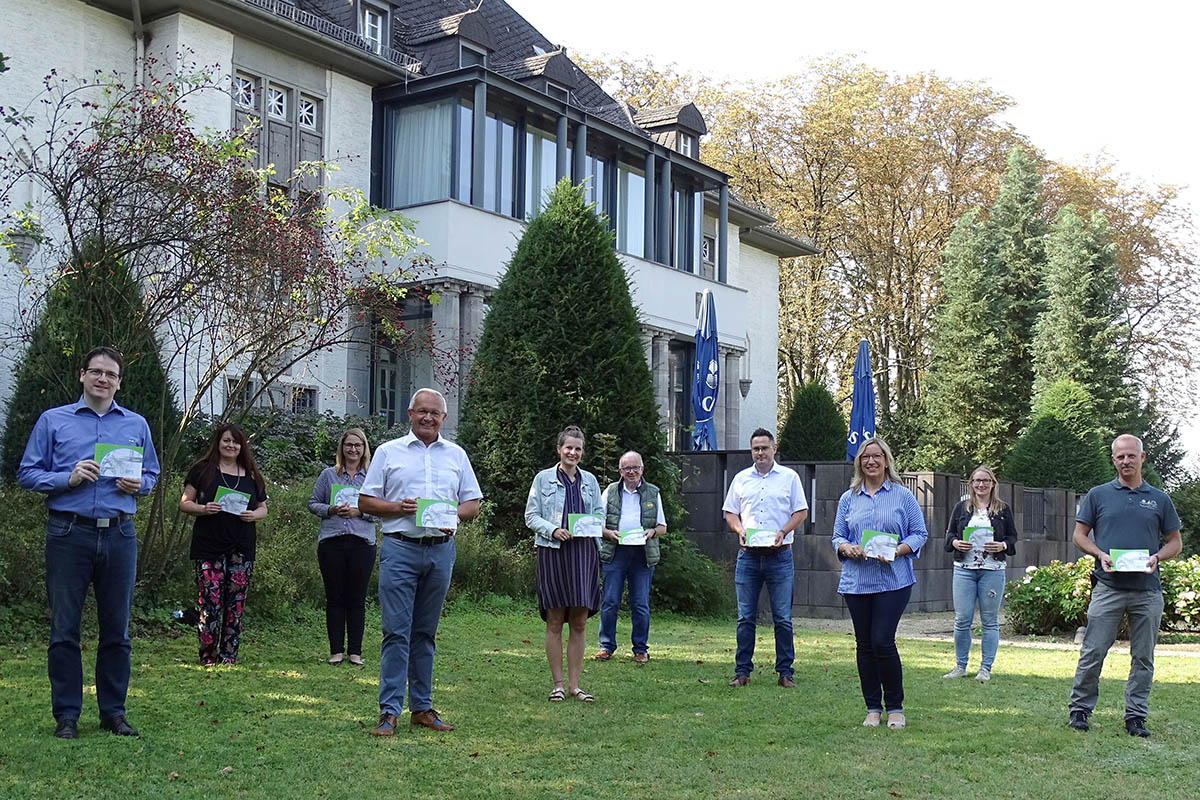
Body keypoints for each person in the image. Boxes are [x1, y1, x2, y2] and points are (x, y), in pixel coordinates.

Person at [17, 346, 160, 739]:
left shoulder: (136, 424)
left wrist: (140, 484)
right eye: (96, 372)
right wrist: (68, 477)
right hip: (68, 533)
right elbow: (27, 473)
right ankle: (66, 715)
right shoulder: (53, 421)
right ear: (82, 375)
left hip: (119, 533)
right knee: (65, 629)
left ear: (119, 381)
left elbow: (151, 474)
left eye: (110, 374)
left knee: (117, 630)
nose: (103, 379)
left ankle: (113, 712)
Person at [360, 388, 481, 736]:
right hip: (400, 548)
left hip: (441, 549)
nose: (428, 418)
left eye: (435, 413)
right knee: (396, 631)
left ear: (444, 418)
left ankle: (422, 708)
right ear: (410, 414)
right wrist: (400, 507)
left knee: (425, 633)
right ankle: (389, 711)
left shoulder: (457, 455)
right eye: (422, 411)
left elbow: (472, 504)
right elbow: (366, 501)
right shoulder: (388, 452)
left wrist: (451, 515)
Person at [1067, 434, 1181, 737]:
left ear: (1142, 458)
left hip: (1148, 591)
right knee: (1093, 651)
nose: (1126, 461)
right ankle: (1079, 710)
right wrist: (1100, 554)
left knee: (1143, 657)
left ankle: (1136, 716)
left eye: (1131, 456)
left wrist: (1157, 557)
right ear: (1113, 460)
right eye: (1120, 457)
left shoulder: (1159, 499)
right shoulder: (1098, 495)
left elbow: (1175, 542)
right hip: (1108, 586)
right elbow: (1079, 536)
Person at [832, 437, 928, 729]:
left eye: (876, 456)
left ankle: (895, 707)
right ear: (859, 463)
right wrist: (846, 548)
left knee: (882, 641)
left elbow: (919, 533)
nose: (871, 462)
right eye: (865, 458)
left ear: (886, 461)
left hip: (893, 580)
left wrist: (898, 551)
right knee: (864, 645)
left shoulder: (902, 496)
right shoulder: (848, 498)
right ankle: (873, 707)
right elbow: (837, 536)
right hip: (857, 581)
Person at [721, 428, 808, 689]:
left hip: (780, 557)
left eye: (764, 448)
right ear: (751, 451)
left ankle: (785, 672)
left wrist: (783, 532)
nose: (760, 453)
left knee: (782, 617)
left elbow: (801, 511)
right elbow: (730, 513)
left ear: (774, 448)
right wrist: (739, 530)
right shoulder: (740, 479)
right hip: (748, 557)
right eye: (755, 449)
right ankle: (742, 672)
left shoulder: (789, 478)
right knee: (745, 617)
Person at [526, 425, 604, 702]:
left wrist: (593, 525)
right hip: (553, 552)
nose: (573, 452)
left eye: (578, 449)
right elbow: (530, 516)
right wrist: (552, 530)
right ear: (559, 449)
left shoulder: (591, 482)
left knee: (580, 621)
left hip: (584, 553)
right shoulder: (543, 479)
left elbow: (599, 515)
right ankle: (557, 684)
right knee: (555, 620)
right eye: (568, 447)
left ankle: (574, 685)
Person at [179, 424, 268, 666]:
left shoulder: (251, 475)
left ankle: (229, 655)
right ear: (218, 442)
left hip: (241, 546)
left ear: (242, 446)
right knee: (210, 602)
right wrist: (203, 509)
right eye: (226, 440)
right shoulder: (202, 470)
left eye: (236, 442)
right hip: (209, 545)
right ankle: (207, 655)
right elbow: (185, 503)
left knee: (235, 603)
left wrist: (254, 516)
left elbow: (263, 508)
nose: (231, 445)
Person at [307, 428, 378, 666]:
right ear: (342, 447)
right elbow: (312, 503)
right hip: (332, 544)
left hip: (362, 544)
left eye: (358, 445)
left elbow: (382, 511)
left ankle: (355, 652)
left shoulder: (372, 478)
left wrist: (360, 512)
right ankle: (336, 650)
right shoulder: (328, 475)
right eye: (349, 445)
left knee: (356, 599)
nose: (353, 449)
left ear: (364, 449)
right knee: (335, 598)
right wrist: (330, 510)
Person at [943, 465, 1017, 682]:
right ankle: (960, 666)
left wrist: (1002, 546)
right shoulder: (961, 508)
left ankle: (985, 668)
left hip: (992, 570)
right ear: (971, 484)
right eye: (977, 481)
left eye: (985, 480)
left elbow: (1013, 538)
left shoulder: (1002, 509)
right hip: (964, 570)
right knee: (962, 619)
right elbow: (948, 538)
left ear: (993, 483)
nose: (981, 484)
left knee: (990, 620)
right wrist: (957, 542)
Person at [595, 450, 667, 664]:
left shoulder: (653, 493)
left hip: (642, 554)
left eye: (635, 467)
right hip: (615, 551)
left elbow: (663, 526)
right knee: (609, 600)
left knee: (640, 603)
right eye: (627, 468)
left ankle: (640, 649)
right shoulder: (609, 492)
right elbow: (596, 522)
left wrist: (652, 532)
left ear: (642, 469)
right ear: (620, 471)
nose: (632, 472)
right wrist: (608, 533)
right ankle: (606, 646)